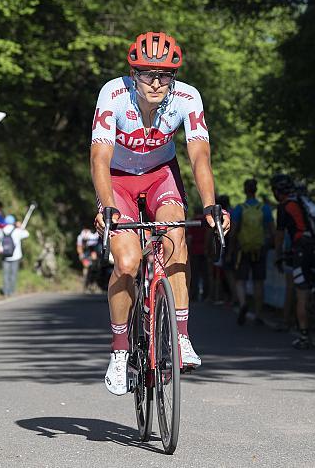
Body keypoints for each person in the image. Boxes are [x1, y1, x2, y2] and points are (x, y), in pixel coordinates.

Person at [90, 31, 230, 395]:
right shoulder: (112, 95)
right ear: (132, 73)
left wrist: (210, 204)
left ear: (174, 77)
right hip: (118, 180)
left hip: (160, 176)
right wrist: (107, 206)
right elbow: (99, 159)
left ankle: (181, 336)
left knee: (175, 239)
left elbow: (199, 155)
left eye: (164, 75)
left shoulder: (187, 98)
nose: (155, 82)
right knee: (126, 260)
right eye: (147, 73)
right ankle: (120, 351)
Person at [271, 174, 315, 349]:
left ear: (277, 191)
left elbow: (280, 236)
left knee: (302, 294)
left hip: (302, 250)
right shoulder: (305, 202)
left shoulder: (285, 206)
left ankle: (304, 335)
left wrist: (278, 255)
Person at [230, 179, 274, 325]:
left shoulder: (239, 209)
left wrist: (231, 250)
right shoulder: (265, 209)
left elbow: (234, 231)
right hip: (260, 249)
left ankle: (243, 303)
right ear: (256, 190)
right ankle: (258, 313)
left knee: (240, 280)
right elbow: (272, 231)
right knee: (258, 282)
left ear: (245, 190)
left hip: (243, 250)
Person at [0, 215, 29, 297]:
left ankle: (5, 292)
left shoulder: (1, 230)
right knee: (13, 274)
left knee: (5, 274)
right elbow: (26, 234)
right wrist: (21, 227)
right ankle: (12, 292)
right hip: (16, 256)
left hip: (5, 255)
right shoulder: (17, 231)